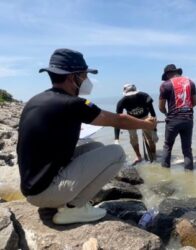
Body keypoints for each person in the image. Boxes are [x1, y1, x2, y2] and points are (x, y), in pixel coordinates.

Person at [17, 48, 156, 225]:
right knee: (117, 153)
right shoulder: (72, 103)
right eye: (84, 75)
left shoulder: (38, 100)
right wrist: (146, 124)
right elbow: (118, 120)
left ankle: (64, 202)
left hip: (33, 187)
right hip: (45, 192)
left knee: (96, 147)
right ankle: (74, 209)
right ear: (72, 77)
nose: (87, 80)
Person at [159, 64, 196, 170]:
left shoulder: (165, 85)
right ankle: (190, 176)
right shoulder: (191, 82)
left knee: (167, 146)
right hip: (188, 119)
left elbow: (161, 107)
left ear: (167, 74)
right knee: (187, 149)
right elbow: (195, 102)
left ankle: (165, 176)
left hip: (173, 120)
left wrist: (167, 114)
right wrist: (184, 110)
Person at [114, 84, 158, 165]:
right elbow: (118, 120)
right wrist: (116, 139)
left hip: (145, 117)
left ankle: (153, 155)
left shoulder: (145, 96)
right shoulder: (121, 102)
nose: (132, 96)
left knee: (151, 138)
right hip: (131, 119)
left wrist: (154, 130)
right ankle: (138, 156)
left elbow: (153, 114)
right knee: (133, 138)